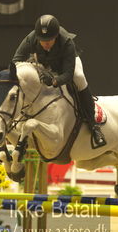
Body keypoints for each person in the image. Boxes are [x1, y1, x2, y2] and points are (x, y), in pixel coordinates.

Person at [12, 14, 106, 148]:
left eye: (49, 40)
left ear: (56, 36)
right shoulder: (31, 38)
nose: (45, 43)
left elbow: (67, 74)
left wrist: (54, 81)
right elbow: (16, 61)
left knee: (79, 77)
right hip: (44, 64)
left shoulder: (67, 42)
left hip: (66, 63)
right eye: (42, 40)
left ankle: (94, 125)